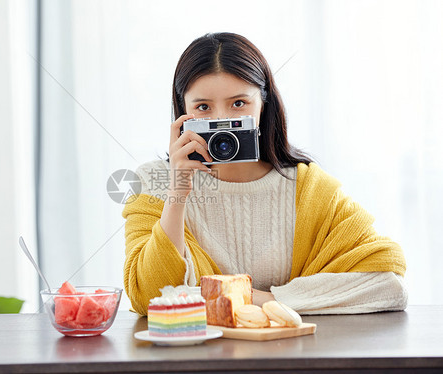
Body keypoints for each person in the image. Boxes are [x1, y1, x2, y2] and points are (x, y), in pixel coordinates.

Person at [122, 32, 407, 316]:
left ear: (263, 103)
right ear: (182, 109)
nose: (222, 122)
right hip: (197, 355)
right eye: (203, 107)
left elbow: (388, 285)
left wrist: (256, 298)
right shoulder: (153, 182)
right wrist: (178, 192)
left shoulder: (308, 188)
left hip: (289, 354)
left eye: (238, 104)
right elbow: (149, 296)